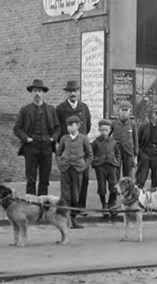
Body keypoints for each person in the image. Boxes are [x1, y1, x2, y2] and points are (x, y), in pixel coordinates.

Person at [13, 79, 60, 196]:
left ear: (43, 93)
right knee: (31, 178)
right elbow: (17, 128)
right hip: (31, 147)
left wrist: (52, 138)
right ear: (31, 93)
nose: (37, 93)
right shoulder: (25, 110)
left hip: (47, 147)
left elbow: (58, 127)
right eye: (35, 91)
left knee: (45, 178)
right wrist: (26, 138)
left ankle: (43, 205)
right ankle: (31, 204)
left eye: (39, 91)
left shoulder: (50, 109)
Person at [54, 80, 92, 221]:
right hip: (68, 151)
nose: (73, 93)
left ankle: (80, 207)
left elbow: (87, 126)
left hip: (81, 151)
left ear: (78, 92)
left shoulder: (84, 107)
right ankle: (67, 208)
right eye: (70, 91)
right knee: (68, 182)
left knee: (84, 179)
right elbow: (57, 128)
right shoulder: (60, 108)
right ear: (66, 93)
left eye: (75, 91)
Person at [56, 116, 93, 229]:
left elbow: (90, 155)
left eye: (71, 125)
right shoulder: (64, 139)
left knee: (75, 194)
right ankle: (65, 220)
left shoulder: (84, 138)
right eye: (67, 125)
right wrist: (60, 164)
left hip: (78, 169)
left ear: (78, 126)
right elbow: (58, 153)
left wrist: (84, 165)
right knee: (65, 194)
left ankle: (74, 219)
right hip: (65, 169)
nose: (69, 127)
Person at [91, 119, 121, 217]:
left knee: (113, 187)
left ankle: (112, 204)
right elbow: (91, 154)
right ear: (99, 130)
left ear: (110, 130)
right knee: (102, 187)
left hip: (111, 167)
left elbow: (118, 154)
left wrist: (116, 162)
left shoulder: (113, 142)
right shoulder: (96, 142)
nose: (104, 132)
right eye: (102, 130)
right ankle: (104, 205)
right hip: (100, 168)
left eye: (106, 130)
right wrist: (95, 162)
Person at [111, 101, 139, 179]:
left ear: (129, 111)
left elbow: (136, 140)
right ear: (118, 111)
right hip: (117, 152)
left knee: (128, 175)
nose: (124, 112)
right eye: (122, 110)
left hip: (128, 152)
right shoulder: (114, 123)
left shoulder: (132, 124)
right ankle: (115, 190)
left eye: (126, 110)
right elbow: (108, 137)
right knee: (115, 173)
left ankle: (128, 190)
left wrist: (136, 156)